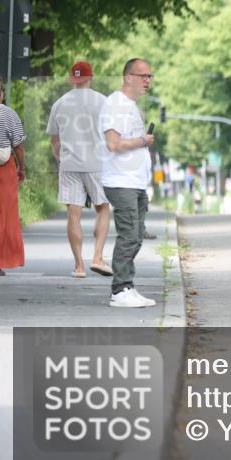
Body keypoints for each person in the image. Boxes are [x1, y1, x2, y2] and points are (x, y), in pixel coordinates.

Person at [45, 61, 112, 279]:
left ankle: (79, 266)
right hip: (97, 164)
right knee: (103, 208)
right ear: (90, 77)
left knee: (73, 215)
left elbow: (55, 141)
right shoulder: (103, 102)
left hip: (70, 165)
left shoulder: (60, 103)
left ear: (71, 79)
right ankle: (98, 257)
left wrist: (61, 159)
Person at [99, 58, 156, 307]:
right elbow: (113, 144)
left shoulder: (131, 106)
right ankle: (119, 290)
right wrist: (143, 141)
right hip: (121, 180)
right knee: (129, 235)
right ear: (127, 77)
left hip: (135, 181)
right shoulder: (115, 104)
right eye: (142, 76)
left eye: (150, 76)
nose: (147, 81)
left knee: (137, 236)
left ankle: (128, 286)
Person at [0, 72, 25, 277]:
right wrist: (22, 167)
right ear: (1, 93)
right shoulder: (9, 114)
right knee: (2, 216)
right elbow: (19, 145)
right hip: (4, 167)